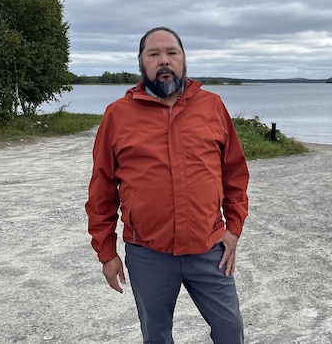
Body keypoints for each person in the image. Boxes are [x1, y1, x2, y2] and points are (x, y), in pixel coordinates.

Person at [85, 26, 250, 343]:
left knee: (230, 331)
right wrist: (107, 253)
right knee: (156, 336)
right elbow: (101, 191)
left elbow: (235, 173)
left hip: (209, 249)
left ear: (184, 60)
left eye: (172, 53)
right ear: (141, 63)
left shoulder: (212, 106)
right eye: (154, 54)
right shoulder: (118, 115)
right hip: (148, 254)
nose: (164, 61)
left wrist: (234, 229)